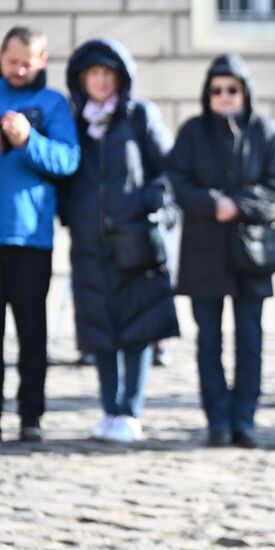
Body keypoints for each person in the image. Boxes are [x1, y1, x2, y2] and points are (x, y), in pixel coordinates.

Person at [168, 53, 275, 449]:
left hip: (250, 254)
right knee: (209, 340)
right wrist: (210, 203)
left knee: (250, 339)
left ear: (245, 92)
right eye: (217, 89)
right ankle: (217, 419)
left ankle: (245, 417)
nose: (224, 96)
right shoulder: (192, 133)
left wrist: (237, 205)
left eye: (232, 89)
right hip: (204, 253)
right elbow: (177, 180)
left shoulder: (266, 132)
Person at [64, 39, 179, 443]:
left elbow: (170, 168)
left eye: (106, 74)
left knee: (138, 328)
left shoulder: (140, 117)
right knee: (101, 331)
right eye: (92, 74)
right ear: (82, 80)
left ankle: (131, 409)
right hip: (90, 244)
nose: (99, 81)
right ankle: (109, 409)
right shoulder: (75, 123)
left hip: (135, 242)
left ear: (119, 79)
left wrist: (155, 207)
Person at [0, 25, 80, 442]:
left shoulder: (52, 104)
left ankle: (31, 416)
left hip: (30, 236)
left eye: (25, 63)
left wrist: (28, 140)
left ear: (42, 61)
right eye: (11, 61)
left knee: (32, 334)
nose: (17, 70)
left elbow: (67, 160)